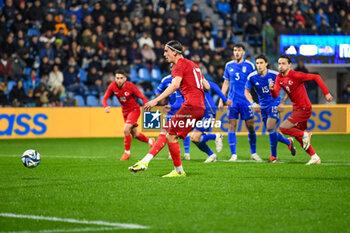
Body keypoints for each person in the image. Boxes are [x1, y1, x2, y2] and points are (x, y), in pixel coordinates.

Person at [129, 40, 209, 177]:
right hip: (200, 107)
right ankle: (147, 161)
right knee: (168, 133)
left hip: (191, 106)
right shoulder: (194, 65)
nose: (164, 54)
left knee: (169, 134)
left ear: (175, 52)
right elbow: (206, 86)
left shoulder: (178, 66)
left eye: (166, 51)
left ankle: (172, 169)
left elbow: (175, 85)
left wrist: (155, 100)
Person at [269, 55, 333, 165]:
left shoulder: (296, 75)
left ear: (289, 65)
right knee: (300, 137)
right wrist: (272, 90)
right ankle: (315, 157)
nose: (281, 66)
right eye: (279, 63)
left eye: (283, 63)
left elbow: (316, 77)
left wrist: (326, 93)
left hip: (304, 108)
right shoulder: (279, 78)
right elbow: (275, 95)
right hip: (297, 109)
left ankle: (305, 134)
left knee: (283, 128)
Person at [244, 55, 296, 163]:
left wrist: (282, 103)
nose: (259, 65)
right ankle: (288, 142)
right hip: (263, 106)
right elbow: (246, 92)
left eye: (261, 63)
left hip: (274, 104)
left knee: (269, 126)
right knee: (271, 130)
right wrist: (253, 103)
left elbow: (288, 89)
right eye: (257, 63)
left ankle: (273, 156)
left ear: (266, 63)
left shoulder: (275, 75)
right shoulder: (252, 77)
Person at [219, 44, 262, 162]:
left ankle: (253, 153)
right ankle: (234, 154)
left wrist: (256, 101)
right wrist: (221, 99)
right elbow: (226, 83)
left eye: (239, 50)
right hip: (232, 101)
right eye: (235, 50)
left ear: (243, 52)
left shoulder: (249, 65)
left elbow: (255, 82)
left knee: (250, 126)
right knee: (232, 126)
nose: (236, 52)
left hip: (246, 101)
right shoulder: (228, 65)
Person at [102, 70, 155, 161]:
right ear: (115, 79)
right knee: (135, 134)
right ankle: (151, 141)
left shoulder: (130, 86)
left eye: (121, 78)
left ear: (125, 79)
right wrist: (106, 106)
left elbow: (142, 96)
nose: (119, 80)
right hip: (125, 111)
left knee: (126, 130)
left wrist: (146, 105)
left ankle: (127, 152)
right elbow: (105, 98)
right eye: (117, 78)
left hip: (134, 110)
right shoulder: (112, 86)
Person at [191, 81, 232, 163]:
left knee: (195, 137)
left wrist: (225, 100)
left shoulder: (196, 78)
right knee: (194, 138)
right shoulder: (185, 83)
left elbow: (214, 86)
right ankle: (212, 155)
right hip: (197, 112)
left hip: (207, 110)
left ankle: (216, 137)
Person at [156, 74, 191, 160]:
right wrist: (160, 99)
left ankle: (187, 153)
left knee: (184, 131)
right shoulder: (166, 79)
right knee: (169, 132)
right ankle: (171, 153)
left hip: (183, 108)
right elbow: (158, 90)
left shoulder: (185, 79)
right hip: (171, 109)